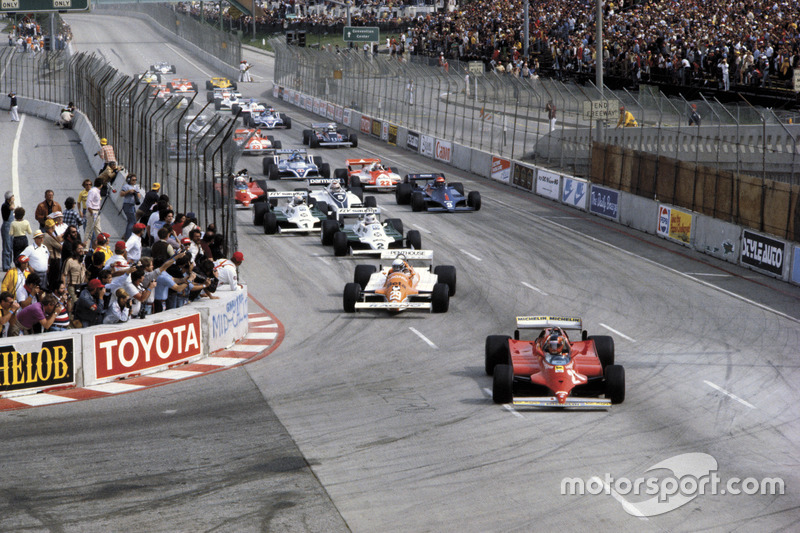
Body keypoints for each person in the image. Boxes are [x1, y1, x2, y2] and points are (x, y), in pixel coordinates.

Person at [120, 173, 142, 240]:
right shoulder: (126, 186)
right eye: (133, 180)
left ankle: (127, 235)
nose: (134, 181)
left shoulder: (136, 187)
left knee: (131, 221)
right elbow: (121, 194)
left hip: (132, 205)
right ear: (129, 180)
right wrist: (128, 191)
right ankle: (128, 236)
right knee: (132, 221)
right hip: (127, 205)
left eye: (135, 180)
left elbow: (139, 196)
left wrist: (136, 193)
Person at [84, 178, 103, 248]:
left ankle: (102, 246)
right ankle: (86, 247)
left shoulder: (96, 191)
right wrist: (91, 212)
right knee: (89, 231)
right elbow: (88, 202)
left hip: (96, 211)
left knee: (98, 230)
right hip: (93, 211)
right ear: (101, 185)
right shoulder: (93, 191)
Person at [2, 191, 15, 271]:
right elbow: (12, 207)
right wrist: (12, 202)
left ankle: (8, 263)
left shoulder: (8, 204)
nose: (14, 198)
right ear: (9, 198)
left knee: (10, 247)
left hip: (11, 227)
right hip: (7, 227)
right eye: (12, 197)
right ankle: (6, 266)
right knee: (7, 247)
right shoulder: (5, 205)